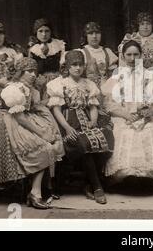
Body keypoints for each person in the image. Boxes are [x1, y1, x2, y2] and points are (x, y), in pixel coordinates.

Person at [0, 57, 65, 209]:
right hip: (6, 123)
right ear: (20, 73)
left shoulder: (32, 90)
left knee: (52, 142)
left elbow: (31, 109)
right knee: (42, 146)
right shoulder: (13, 89)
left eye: (34, 71)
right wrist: (41, 133)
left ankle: (38, 191)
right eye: (28, 71)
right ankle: (32, 193)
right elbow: (19, 117)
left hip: (22, 120)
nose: (33, 75)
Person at [47, 50, 114, 204]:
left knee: (107, 136)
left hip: (86, 119)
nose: (78, 68)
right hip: (67, 121)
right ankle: (96, 186)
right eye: (74, 65)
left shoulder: (88, 84)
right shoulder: (59, 84)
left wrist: (93, 121)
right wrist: (67, 127)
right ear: (68, 67)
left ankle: (90, 182)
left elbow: (92, 107)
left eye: (80, 65)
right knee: (82, 142)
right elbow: (56, 109)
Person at [101, 40, 153, 188]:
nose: (133, 58)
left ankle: (151, 176)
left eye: (136, 55)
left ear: (141, 56)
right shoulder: (116, 77)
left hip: (148, 116)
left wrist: (150, 112)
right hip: (123, 116)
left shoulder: (151, 75)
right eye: (129, 55)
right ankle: (124, 176)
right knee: (122, 132)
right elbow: (110, 104)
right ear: (123, 56)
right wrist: (126, 115)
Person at [28, 18, 66, 99]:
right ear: (36, 32)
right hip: (40, 83)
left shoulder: (59, 45)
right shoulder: (33, 49)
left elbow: (64, 66)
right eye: (40, 31)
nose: (44, 34)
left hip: (58, 81)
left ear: (51, 32)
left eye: (47, 31)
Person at [75, 22, 119, 88]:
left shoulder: (107, 52)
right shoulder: (81, 53)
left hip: (106, 88)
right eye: (90, 33)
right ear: (85, 36)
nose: (94, 36)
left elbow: (113, 75)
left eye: (97, 33)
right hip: (88, 89)